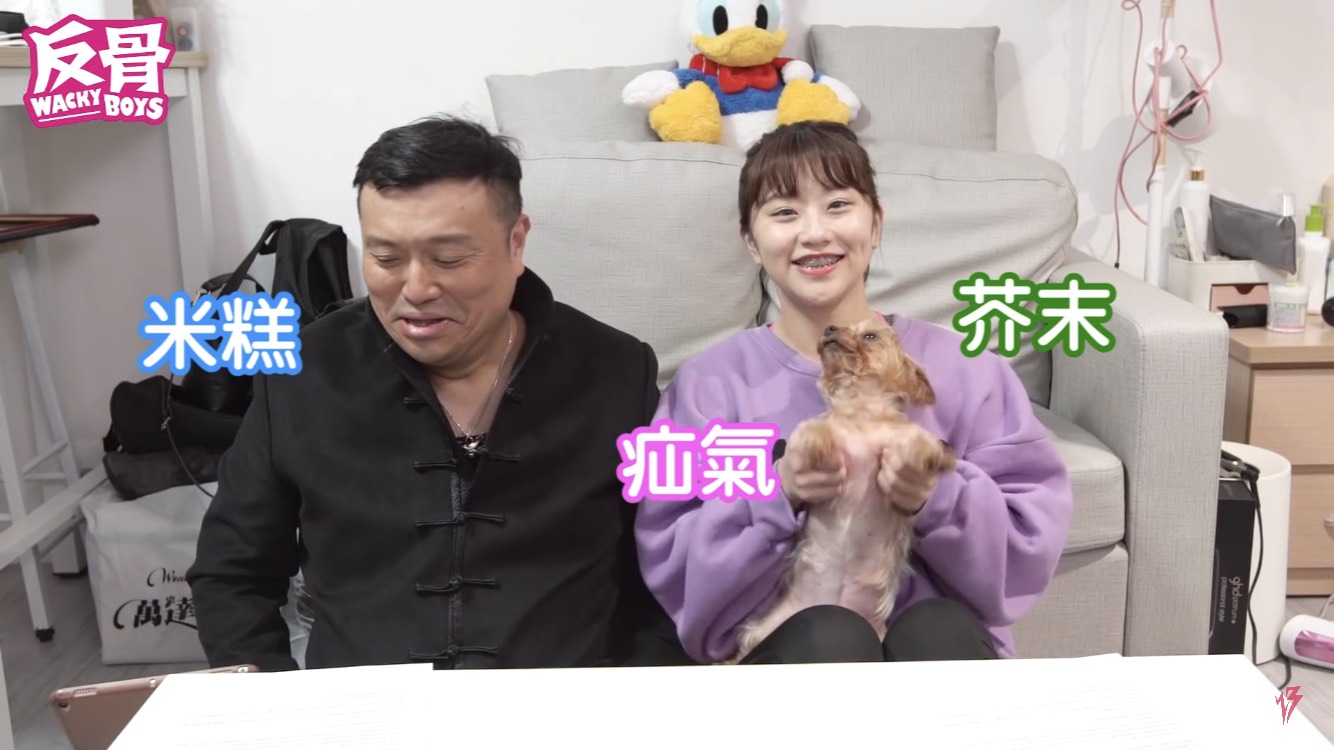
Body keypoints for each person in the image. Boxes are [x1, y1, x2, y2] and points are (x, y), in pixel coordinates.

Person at [187, 114, 686, 671]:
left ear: (516, 242)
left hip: (563, 707)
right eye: (385, 258)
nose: (417, 288)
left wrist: (635, 700)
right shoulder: (303, 372)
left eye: (449, 259)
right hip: (363, 710)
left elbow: (671, 571)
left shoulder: (614, 371)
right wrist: (275, 704)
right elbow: (233, 574)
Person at [635, 121, 1074, 665]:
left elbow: (1025, 548)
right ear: (750, 242)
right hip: (786, 648)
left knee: (937, 628)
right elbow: (672, 562)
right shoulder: (708, 385)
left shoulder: (968, 370)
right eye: (784, 212)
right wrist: (779, 491)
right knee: (831, 635)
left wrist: (937, 496)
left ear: (876, 223)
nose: (815, 232)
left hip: (938, 647)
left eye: (838, 205)